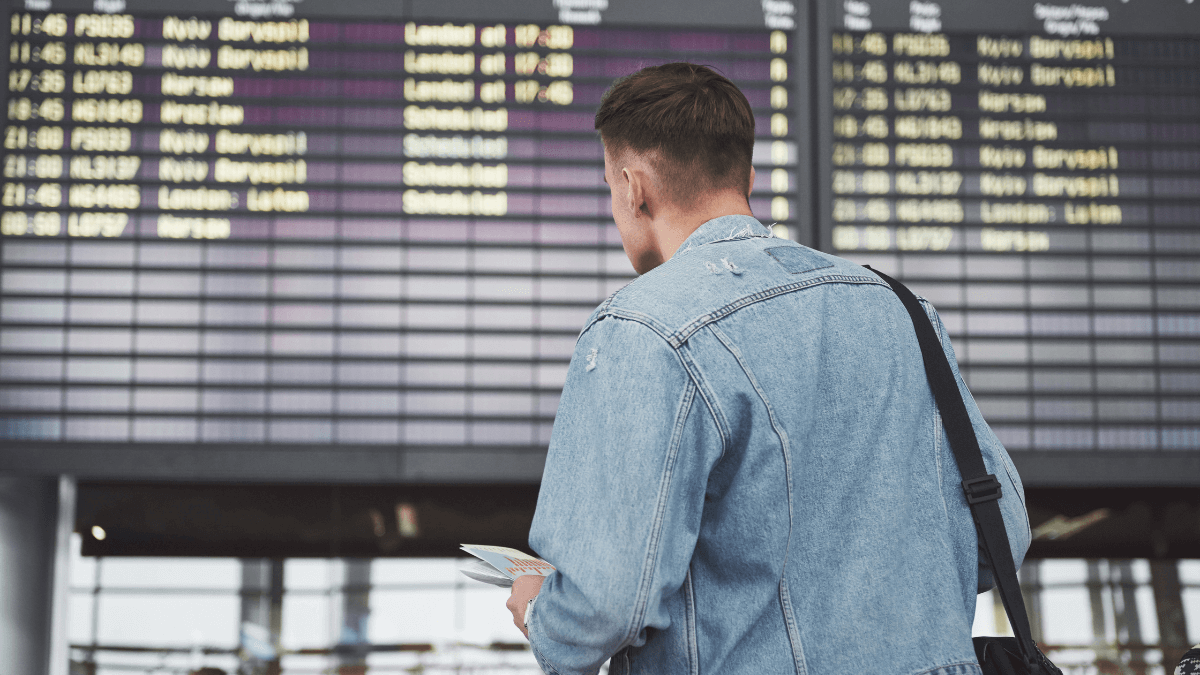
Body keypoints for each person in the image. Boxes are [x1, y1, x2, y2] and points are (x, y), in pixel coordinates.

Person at [505, 62, 1030, 675]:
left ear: (631, 186)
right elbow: (1003, 537)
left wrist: (547, 612)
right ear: (747, 177)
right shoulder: (899, 309)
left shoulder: (643, 328)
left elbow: (607, 604)